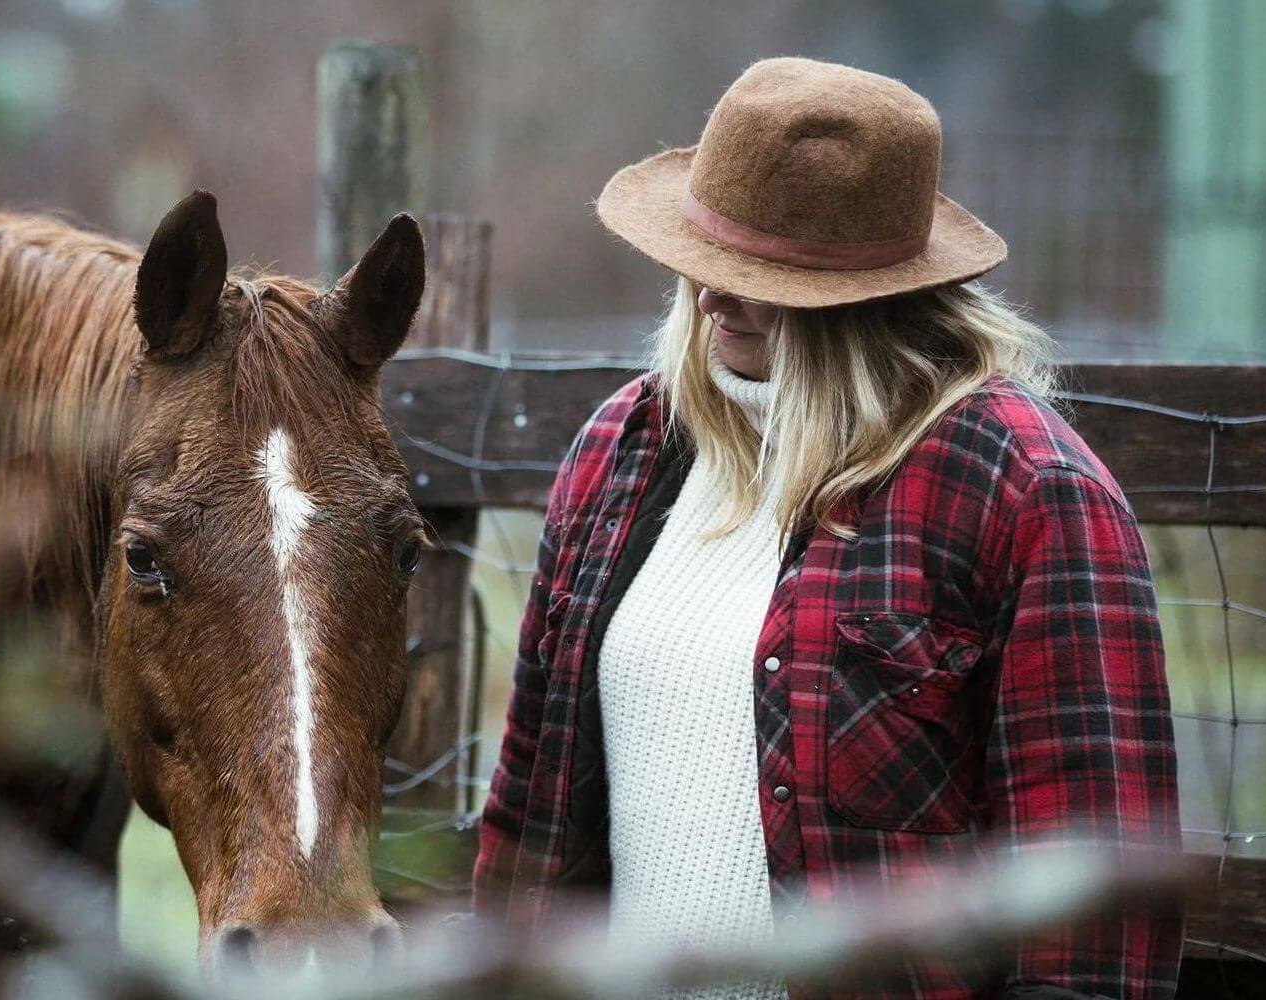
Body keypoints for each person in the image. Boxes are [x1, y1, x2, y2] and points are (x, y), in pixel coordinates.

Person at [473, 57, 1182, 999]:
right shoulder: (622, 451)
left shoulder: (1023, 490)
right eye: (703, 262)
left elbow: (1097, 920)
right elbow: (529, 812)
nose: (711, 298)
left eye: (757, 277)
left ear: (874, 298)